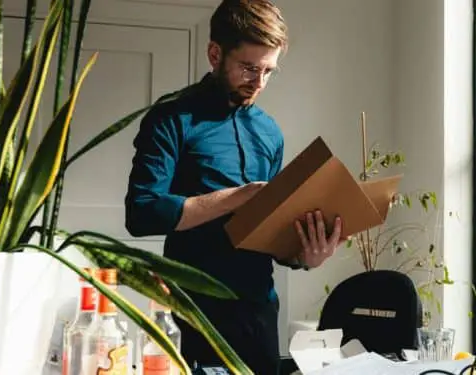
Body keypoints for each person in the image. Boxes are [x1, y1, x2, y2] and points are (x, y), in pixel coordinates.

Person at [124, 1, 344, 374]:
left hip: (258, 315)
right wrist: (239, 197)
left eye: (268, 71)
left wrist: (306, 256)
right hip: (191, 311)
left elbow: (271, 236)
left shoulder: (270, 132)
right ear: (215, 53)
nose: (258, 82)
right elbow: (142, 212)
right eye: (248, 68)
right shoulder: (171, 118)